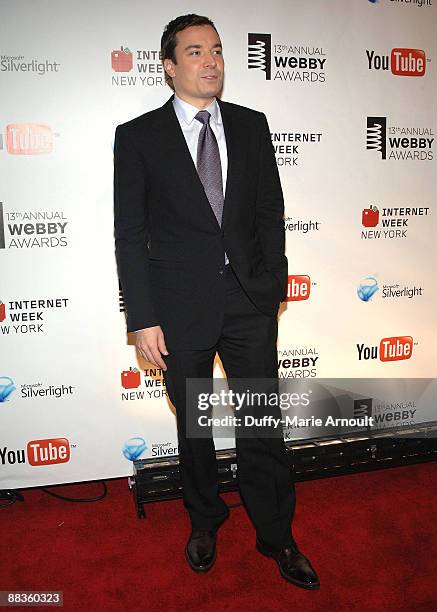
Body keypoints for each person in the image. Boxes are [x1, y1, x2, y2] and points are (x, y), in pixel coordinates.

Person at [114, 14, 319, 589]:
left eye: (219, 51)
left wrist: (272, 283)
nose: (211, 62)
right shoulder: (138, 136)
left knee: (261, 424)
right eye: (196, 52)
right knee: (195, 428)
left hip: (249, 300)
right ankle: (205, 519)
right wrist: (143, 318)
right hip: (177, 308)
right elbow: (129, 233)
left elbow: (269, 213)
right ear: (169, 66)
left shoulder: (253, 126)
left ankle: (276, 533)